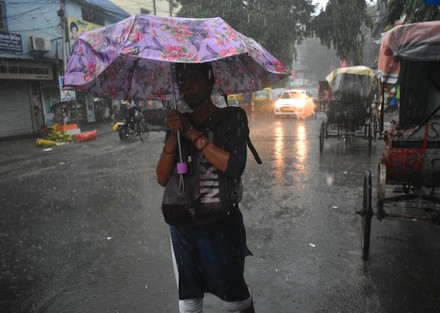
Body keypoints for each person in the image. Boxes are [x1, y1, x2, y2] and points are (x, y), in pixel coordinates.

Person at [155, 62, 255, 313]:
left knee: (235, 301)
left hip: (222, 224)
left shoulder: (233, 117)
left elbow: (234, 167)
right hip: (183, 226)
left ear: (210, 81)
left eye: (193, 79)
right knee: (188, 303)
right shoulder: (178, 123)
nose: (185, 86)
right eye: (181, 80)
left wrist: (193, 135)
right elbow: (161, 176)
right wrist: (172, 137)